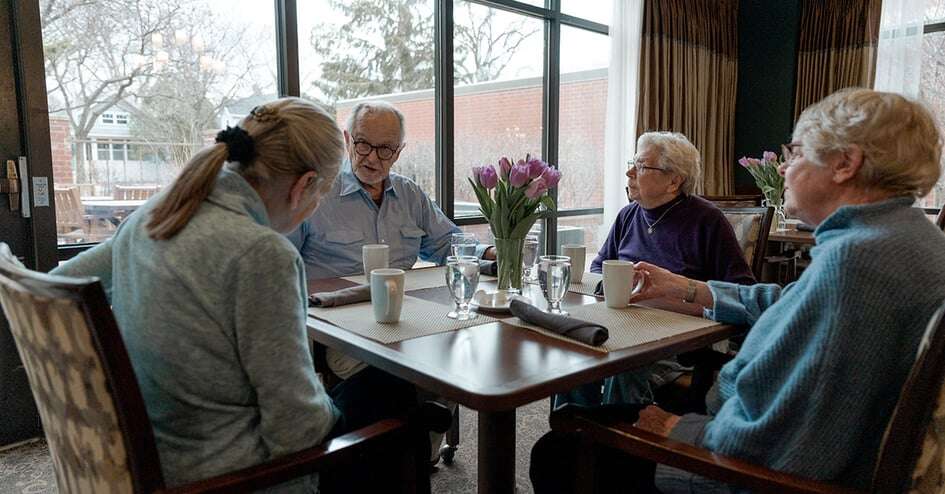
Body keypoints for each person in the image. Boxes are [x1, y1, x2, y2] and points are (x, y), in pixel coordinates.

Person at [531, 88, 945, 493]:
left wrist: (682, 429)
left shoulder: (854, 265)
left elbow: (785, 443)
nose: (783, 169)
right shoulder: (907, 240)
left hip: (738, 468)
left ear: (844, 163)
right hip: (757, 432)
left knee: (559, 447)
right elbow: (788, 303)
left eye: (796, 154)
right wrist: (693, 289)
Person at [52, 98, 433, 492]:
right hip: (231, 475)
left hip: (147, 452)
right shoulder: (261, 254)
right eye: (320, 196)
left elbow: (57, 285)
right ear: (304, 186)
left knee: (374, 390)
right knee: (397, 403)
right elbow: (297, 430)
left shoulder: (158, 212)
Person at [554, 131, 754, 409]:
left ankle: (617, 443)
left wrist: (670, 298)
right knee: (572, 354)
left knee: (624, 365)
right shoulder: (628, 215)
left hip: (676, 345)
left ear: (674, 181)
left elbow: (742, 294)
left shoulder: (708, 221)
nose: (629, 173)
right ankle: (573, 436)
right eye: (632, 163)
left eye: (641, 166)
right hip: (619, 325)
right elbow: (599, 267)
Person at [286, 100, 494, 281]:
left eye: (385, 149)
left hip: (403, 309)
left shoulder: (409, 194)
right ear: (347, 140)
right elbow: (281, 265)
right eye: (363, 144)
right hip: (330, 314)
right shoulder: (315, 193)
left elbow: (447, 245)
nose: (372, 158)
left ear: (398, 152)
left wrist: (493, 253)